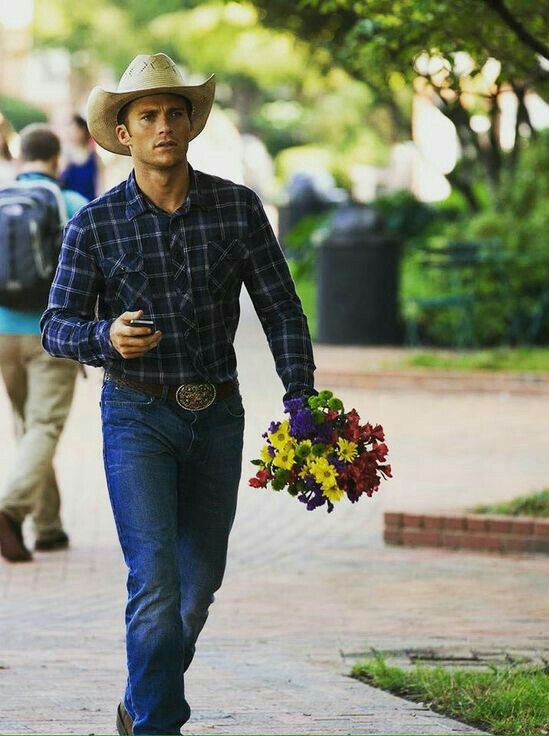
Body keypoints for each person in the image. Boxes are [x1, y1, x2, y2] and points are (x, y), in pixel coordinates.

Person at [41, 53, 316, 735]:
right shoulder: (95, 225)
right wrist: (105, 336)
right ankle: (159, 725)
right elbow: (56, 326)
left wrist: (300, 396)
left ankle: (140, 702)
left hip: (218, 415)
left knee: (197, 588)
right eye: (147, 116)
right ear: (125, 133)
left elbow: (281, 309)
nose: (163, 125)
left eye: (173, 113)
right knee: (156, 584)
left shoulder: (238, 209)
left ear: (190, 124)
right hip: (136, 416)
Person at [0, 125, 88, 562]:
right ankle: (11, 510)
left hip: (2, 333)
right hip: (50, 333)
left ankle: (48, 527)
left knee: (30, 427)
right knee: (44, 426)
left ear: (22, 157)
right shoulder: (69, 203)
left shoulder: (2, 198)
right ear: (56, 160)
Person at [59, 114, 101, 201]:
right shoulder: (64, 157)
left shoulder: (94, 158)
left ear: (83, 131)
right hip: (71, 205)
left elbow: (100, 184)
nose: (71, 133)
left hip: (90, 202)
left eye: (75, 130)